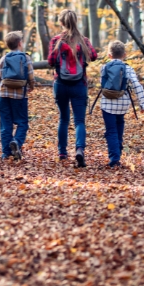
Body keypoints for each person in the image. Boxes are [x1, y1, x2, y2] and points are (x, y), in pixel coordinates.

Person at [48, 9, 97, 167]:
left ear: (61, 23)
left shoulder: (56, 40)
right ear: (76, 21)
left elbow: (50, 61)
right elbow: (94, 56)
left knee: (63, 119)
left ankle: (62, 153)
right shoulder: (83, 40)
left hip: (61, 84)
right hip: (79, 84)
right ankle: (79, 150)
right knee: (79, 121)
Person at [97, 40, 144, 167]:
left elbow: (103, 85)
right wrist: (142, 104)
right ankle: (117, 150)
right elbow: (137, 86)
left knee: (111, 130)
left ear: (109, 55)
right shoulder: (128, 68)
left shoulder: (104, 67)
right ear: (124, 55)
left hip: (107, 103)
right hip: (123, 103)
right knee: (119, 124)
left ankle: (114, 158)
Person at [0, 31, 35, 161]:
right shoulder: (25, 58)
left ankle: (6, 153)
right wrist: (31, 87)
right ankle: (17, 142)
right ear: (19, 43)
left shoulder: (4, 58)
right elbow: (30, 76)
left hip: (4, 95)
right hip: (19, 96)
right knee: (22, 123)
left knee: (6, 124)